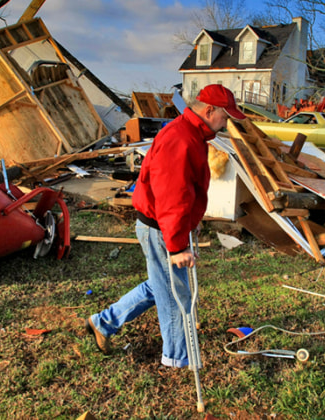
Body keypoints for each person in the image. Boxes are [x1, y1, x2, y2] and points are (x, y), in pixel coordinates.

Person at [85, 84, 245, 367]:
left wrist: (189, 224)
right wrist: (177, 245)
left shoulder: (190, 134)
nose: (227, 122)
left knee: (161, 284)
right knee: (174, 293)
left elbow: (186, 193)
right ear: (209, 110)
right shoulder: (181, 139)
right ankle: (177, 359)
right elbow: (171, 197)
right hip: (160, 227)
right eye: (226, 116)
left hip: (164, 226)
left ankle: (103, 323)